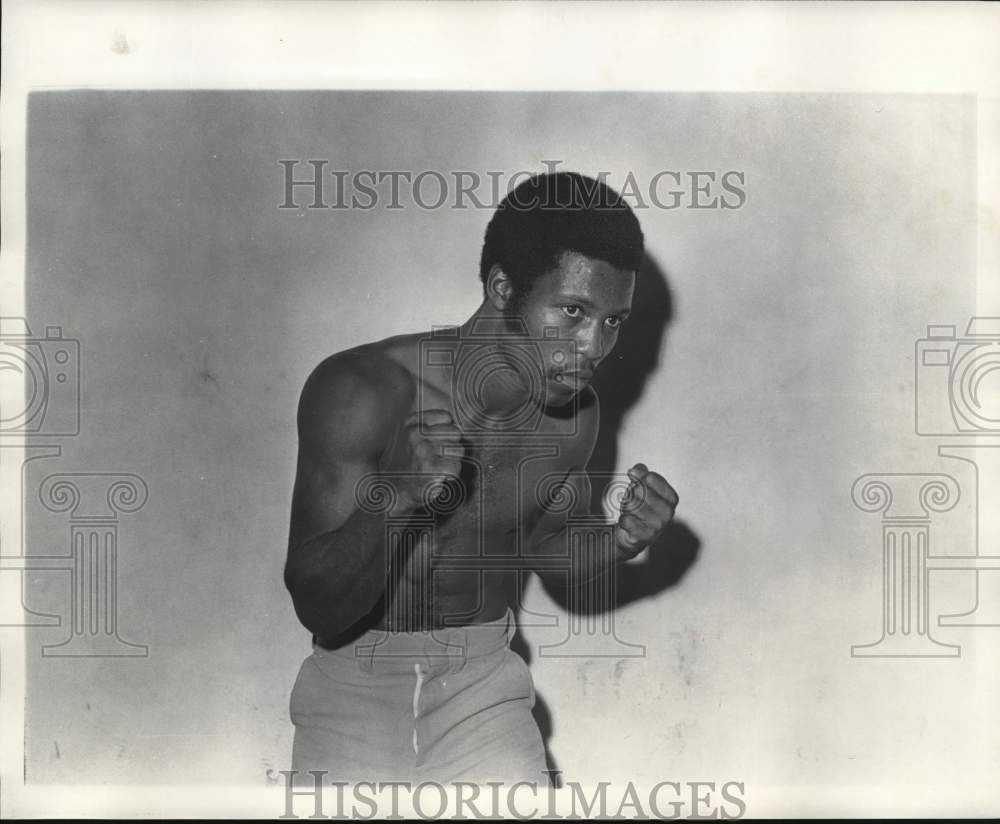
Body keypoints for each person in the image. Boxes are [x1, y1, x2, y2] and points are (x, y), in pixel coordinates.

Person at [284, 171, 679, 786]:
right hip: (351, 686)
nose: (594, 345)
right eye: (573, 311)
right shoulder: (361, 391)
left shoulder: (573, 417)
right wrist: (395, 501)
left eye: (612, 321)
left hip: (482, 689)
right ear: (502, 288)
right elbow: (319, 609)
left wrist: (621, 541)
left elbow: (547, 548)